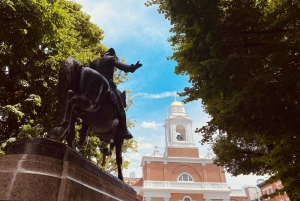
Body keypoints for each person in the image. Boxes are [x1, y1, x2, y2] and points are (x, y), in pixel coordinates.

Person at [89, 48, 142, 140]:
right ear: (113, 54)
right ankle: (124, 130)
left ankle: (83, 131)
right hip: (107, 86)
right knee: (121, 107)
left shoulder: (94, 61)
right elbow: (122, 66)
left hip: (91, 88)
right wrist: (133, 67)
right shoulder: (111, 58)